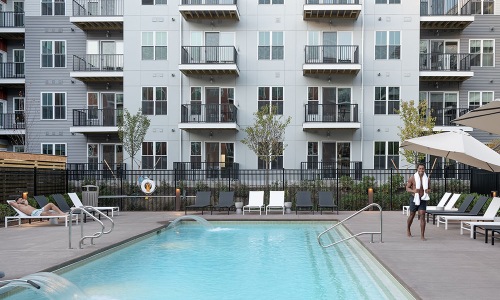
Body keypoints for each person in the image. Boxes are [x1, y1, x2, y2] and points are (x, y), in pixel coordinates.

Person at [406, 163, 431, 241]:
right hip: (414, 198)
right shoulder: (413, 178)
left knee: (422, 215)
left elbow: (430, 189)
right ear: (417, 169)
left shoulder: (427, 179)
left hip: (423, 198)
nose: (421, 170)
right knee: (412, 215)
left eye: (422, 169)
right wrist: (413, 190)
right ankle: (408, 229)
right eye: (420, 168)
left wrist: (428, 190)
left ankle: (422, 235)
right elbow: (407, 188)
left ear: (424, 170)